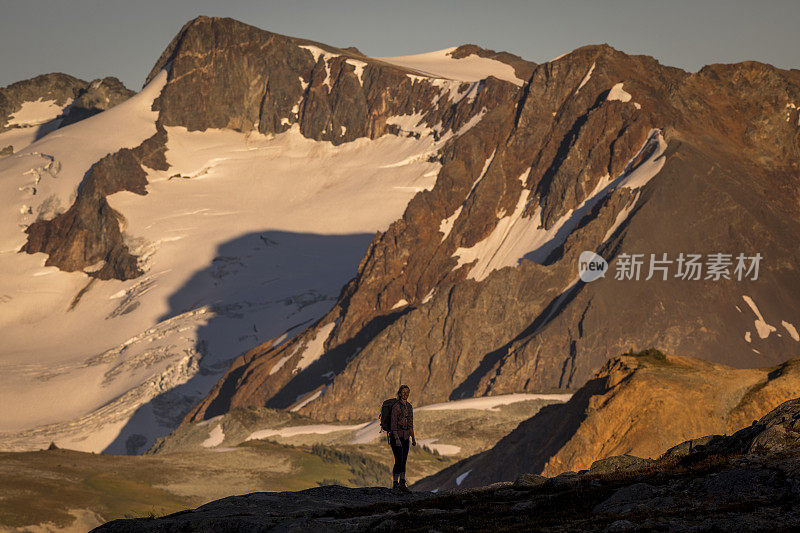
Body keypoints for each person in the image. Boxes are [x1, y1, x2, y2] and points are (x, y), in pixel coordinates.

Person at [390, 384, 416, 492]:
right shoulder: (396, 407)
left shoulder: (409, 407)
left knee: (403, 460)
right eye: (404, 392)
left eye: (407, 393)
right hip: (397, 437)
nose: (406, 394)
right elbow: (393, 424)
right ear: (400, 393)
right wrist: (396, 438)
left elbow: (410, 424)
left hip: (406, 436)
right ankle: (395, 484)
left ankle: (402, 482)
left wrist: (413, 438)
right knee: (398, 460)